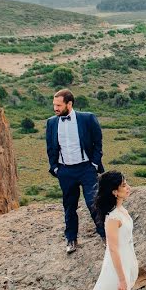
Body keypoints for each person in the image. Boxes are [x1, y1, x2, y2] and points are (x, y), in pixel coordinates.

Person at [45, 89, 105, 254]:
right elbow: (50, 148)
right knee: (69, 207)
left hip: (86, 168)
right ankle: (71, 240)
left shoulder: (87, 118)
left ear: (69, 104)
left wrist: (94, 164)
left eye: (58, 105)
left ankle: (105, 235)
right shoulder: (51, 123)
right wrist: (56, 168)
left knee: (93, 203)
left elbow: (98, 142)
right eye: (54, 105)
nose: (55, 108)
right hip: (66, 171)